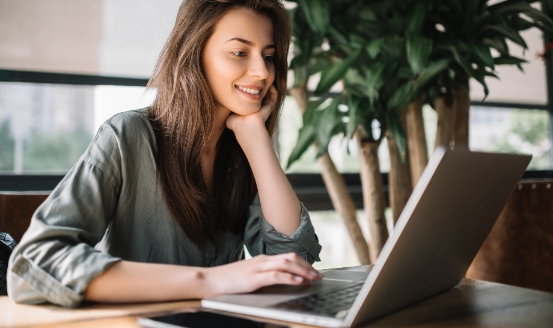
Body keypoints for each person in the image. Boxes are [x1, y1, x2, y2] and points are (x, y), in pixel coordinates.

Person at [7, 0, 322, 308]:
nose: (262, 72)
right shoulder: (127, 136)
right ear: (194, 54)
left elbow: (295, 264)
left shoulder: (242, 150)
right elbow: (34, 261)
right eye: (240, 52)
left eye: (268, 56)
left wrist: (257, 141)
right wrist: (209, 280)